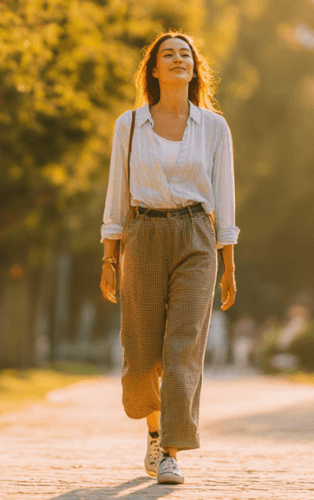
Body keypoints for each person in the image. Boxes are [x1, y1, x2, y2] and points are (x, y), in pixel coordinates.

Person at [99, 31, 239, 485]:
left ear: (195, 68)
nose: (178, 60)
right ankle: (156, 433)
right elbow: (117, 194)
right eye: (168, 55)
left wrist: (229, 265)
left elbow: (225, 197)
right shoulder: (130, 124)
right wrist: (109, 257)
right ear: (154, 70)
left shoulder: (214, 127)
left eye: (186, 54)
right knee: (141, 354)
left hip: (197, 235)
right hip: (142, 233)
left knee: (182, 349)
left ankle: (172, 452)